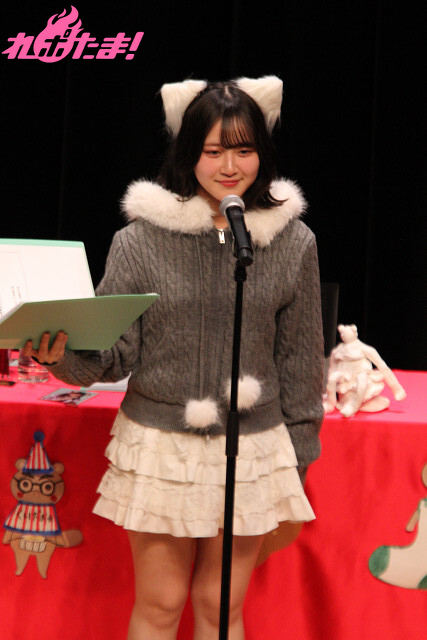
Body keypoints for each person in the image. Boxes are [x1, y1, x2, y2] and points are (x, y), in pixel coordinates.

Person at [24, 76, 324, 640]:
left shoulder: (292, 241)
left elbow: (301, 360)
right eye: (213, 151)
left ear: (262, 152)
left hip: (253, 447)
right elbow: (112, 356)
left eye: (243, 149)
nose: (229, 165)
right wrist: (59, 358)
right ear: (189, 153)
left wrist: (300, 457)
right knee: (162, 603)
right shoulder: (140, 240)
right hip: (162, 444)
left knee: (219, 605)